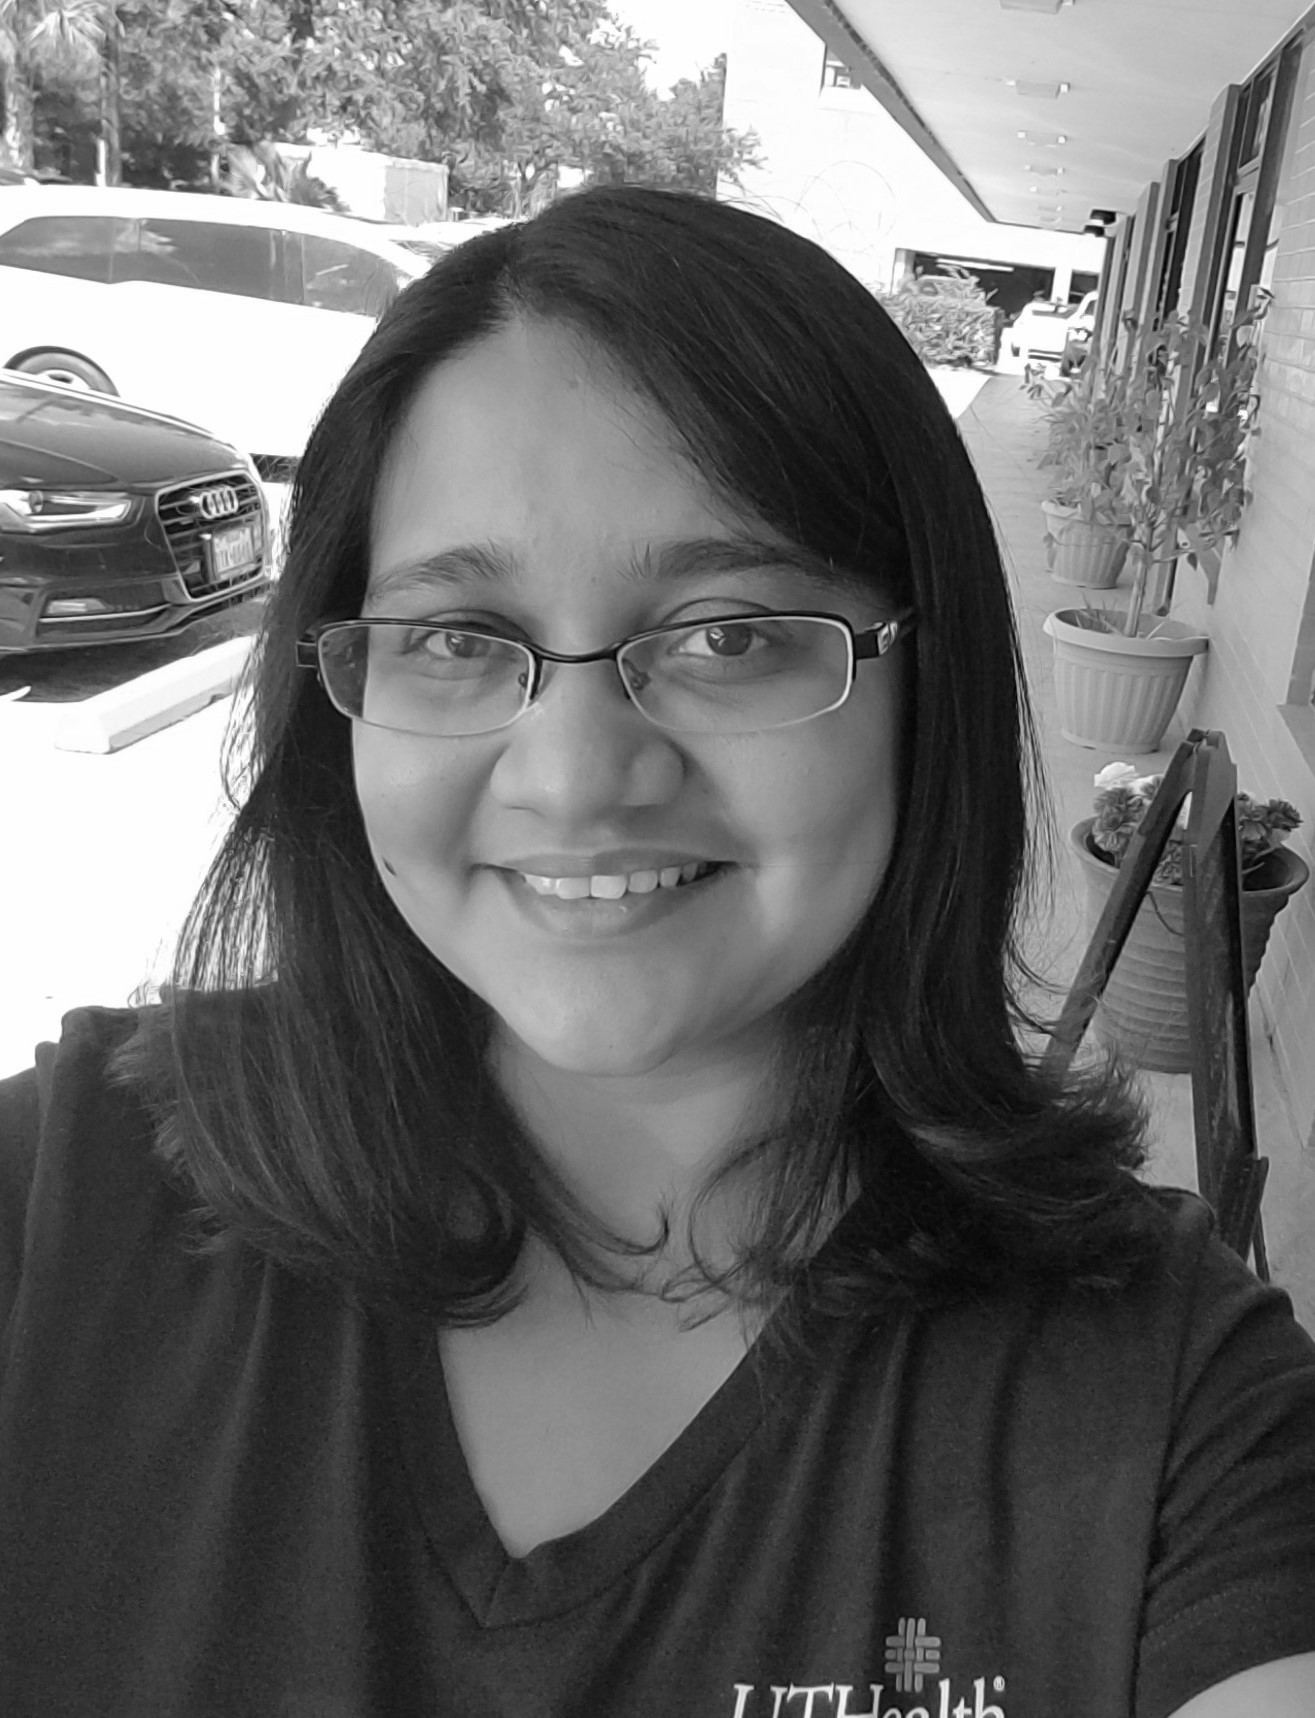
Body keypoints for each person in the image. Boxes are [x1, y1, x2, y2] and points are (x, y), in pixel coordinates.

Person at [1, 186, 1313, 1718]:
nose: (573, 778)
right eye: (455, 636)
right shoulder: (69, 1201)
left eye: (727, 633)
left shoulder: (1169, 1402)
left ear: (925, 680)